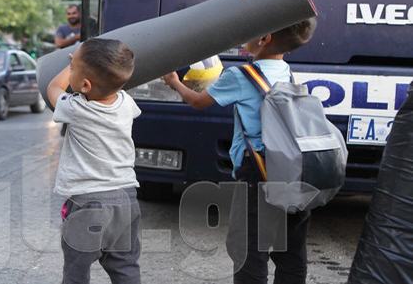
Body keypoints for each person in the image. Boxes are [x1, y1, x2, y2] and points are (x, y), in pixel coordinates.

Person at [161, 18, 318, 284]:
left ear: (264, 37)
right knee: (291, 248)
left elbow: (199, 102)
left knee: (248, 249)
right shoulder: (289, 74)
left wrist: (175, 82)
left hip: (259, 171)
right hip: (295, 170)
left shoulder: (240, 75)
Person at [46, 38, 142, 284]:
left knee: (76, 271)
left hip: (88, 203)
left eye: (73, 69)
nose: (71, 71)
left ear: (85, 84)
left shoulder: (76, 108)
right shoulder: (126, 102)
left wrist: (68, 66)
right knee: (126, 267)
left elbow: (53, 89)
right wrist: (80, 63)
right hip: (125, 199)